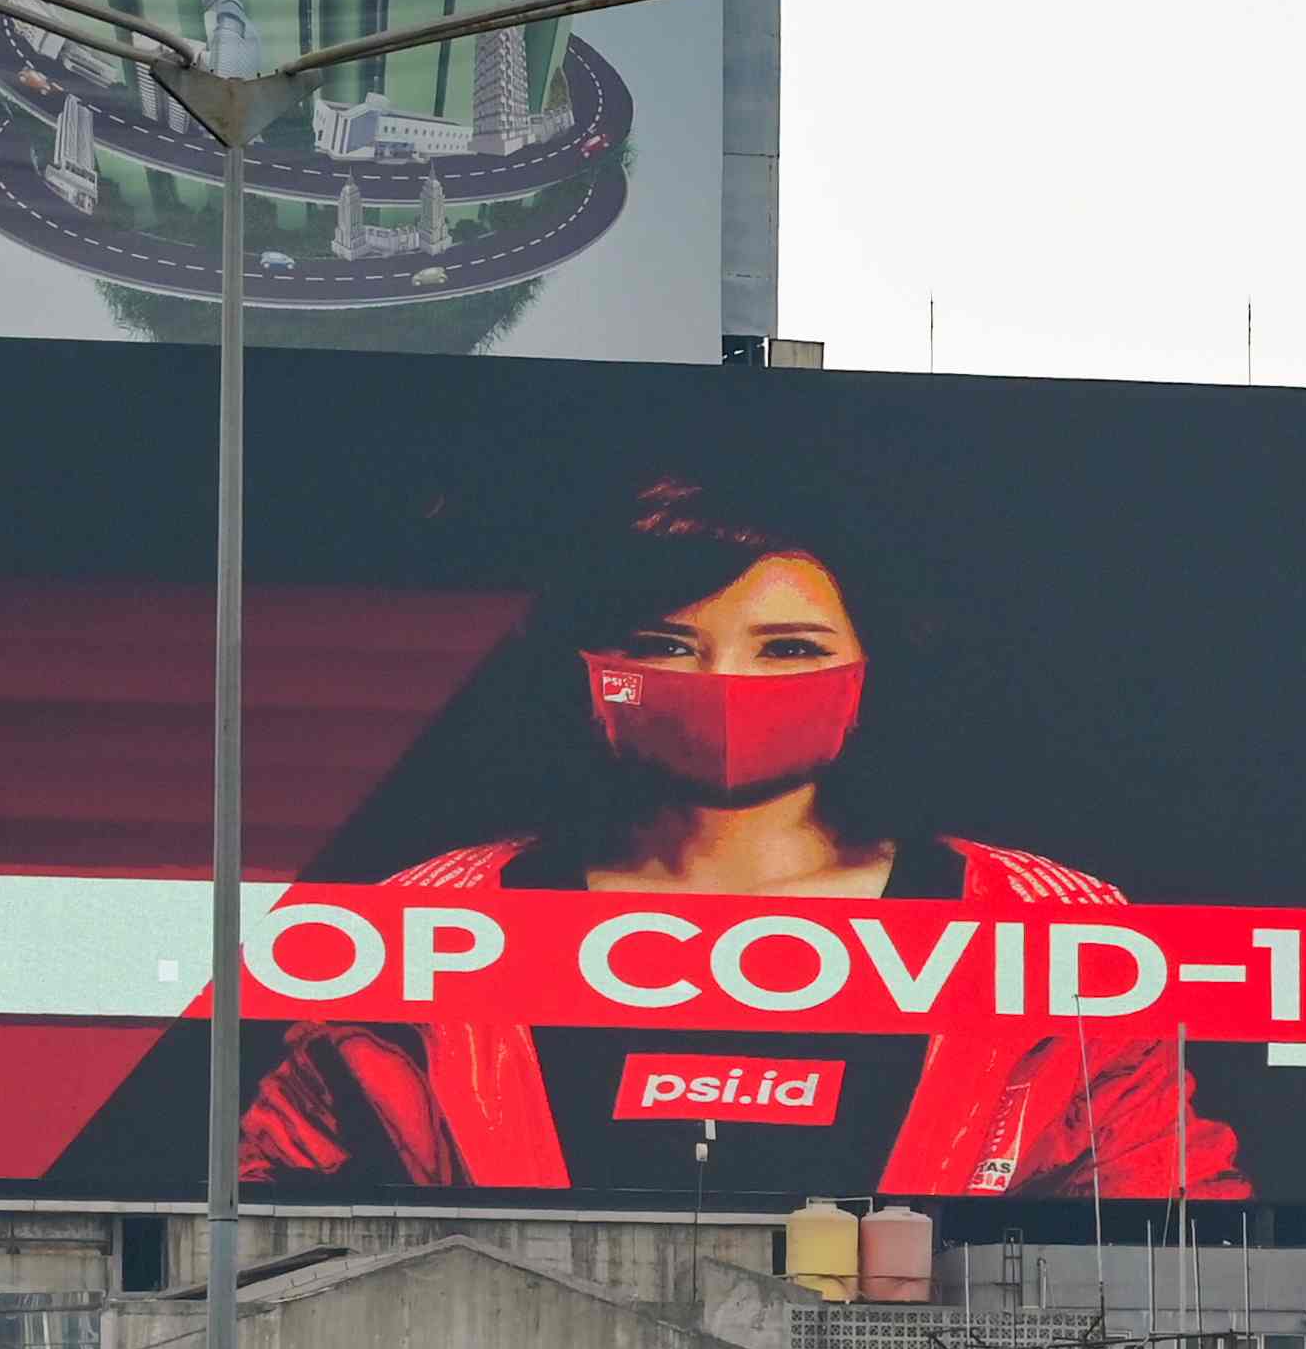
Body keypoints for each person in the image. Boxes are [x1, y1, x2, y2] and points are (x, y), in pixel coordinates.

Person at [227, 473, 1252, 1208]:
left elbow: (1169, 1218)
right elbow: (268, 1209)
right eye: (666, 645)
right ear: (585, 666)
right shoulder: (428, 917)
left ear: (875, 669)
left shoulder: (1043, 921)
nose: (725, 684)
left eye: (790, 648)